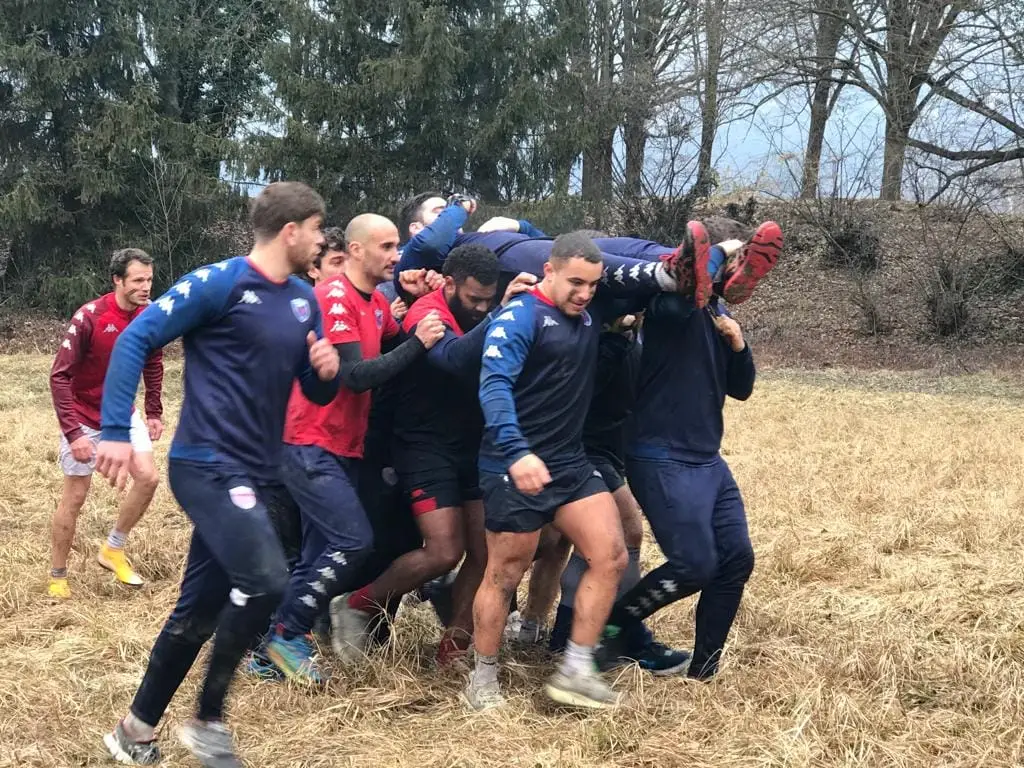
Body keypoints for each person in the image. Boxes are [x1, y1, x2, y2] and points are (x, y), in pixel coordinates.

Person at [98, 181, 340, 767]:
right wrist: (112, 431)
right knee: (267, 580)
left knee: (198, 613)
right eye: (316, 229)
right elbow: (137, 337)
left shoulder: (304, 301)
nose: (321, 239)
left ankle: (134, 731)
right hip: (205, 464)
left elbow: (305, 387)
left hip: (258, 472)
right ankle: (208, 719)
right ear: (291, 230)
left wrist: (323, 372)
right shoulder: (221, 282)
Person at [466, 231, 676, 712]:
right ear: (549, 271)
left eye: (593, 285)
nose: (584, 294)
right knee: (505, 572)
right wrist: (517, 452)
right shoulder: (517, 318)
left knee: (612, 554)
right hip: (511, 465)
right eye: (575, 283)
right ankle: (483, 678)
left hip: (568, 463)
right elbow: (494, 388)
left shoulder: (590, 313)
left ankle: (576, 668)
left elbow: (640, 285)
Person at [260, 214, 445, 684]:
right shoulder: (335, 297)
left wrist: (415, 301)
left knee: (318, 551)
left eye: (398, 246)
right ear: (357, 251)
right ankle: (288, 635)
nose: (397, 255)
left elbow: (389, 351)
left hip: (344, 446)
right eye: (386, 246)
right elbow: (356, 374)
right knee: (352, 541)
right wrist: (420, 343)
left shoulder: (374, 304)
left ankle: (269, 650)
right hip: (308, 442)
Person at [331, 244, 536, 665]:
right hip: (422, 446)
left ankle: (454, 643)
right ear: (450, 283)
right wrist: (501, 313)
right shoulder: (429, 311)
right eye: (473, 299)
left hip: (473, 445)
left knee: (487, 552)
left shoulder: (494, 302)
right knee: (444, 551)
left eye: (487, 299)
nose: (480, 308)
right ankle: (357, 604)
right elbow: (456, 359)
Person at [595, 222, 780, 681]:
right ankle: (605, 627)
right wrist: (707, 262)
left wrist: (737, 345)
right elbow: (679, 301)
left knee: (736, 558)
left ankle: (703, 671)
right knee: (694, 564)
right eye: (736, 260)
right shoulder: (667, 305)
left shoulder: (718, 317)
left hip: (707, 458)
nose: (740, 273)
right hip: (659, 454)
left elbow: (742, 388)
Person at [47, 248, 163, 598]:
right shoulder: (90, 317)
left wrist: (153, 410)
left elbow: (154, 363)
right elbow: (59, 377)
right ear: (117, 280)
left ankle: (113, 548)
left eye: (150, 279)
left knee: (149, 477)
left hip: (123, 415)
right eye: (138, 280)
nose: (146, 287)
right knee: (76, 497)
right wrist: (74, 433)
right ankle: (58, 575)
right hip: (83, 416)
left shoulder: (150, 316)